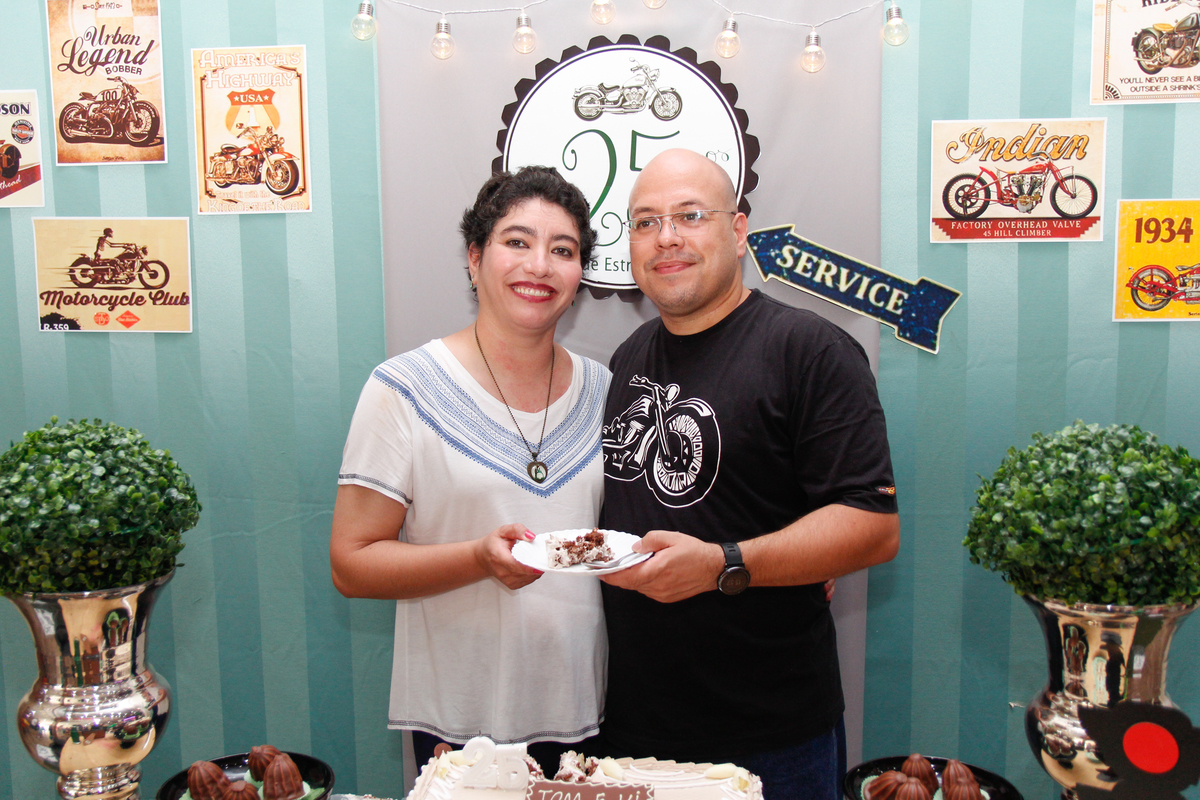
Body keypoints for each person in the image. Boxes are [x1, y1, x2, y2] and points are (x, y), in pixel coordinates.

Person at [598, 149, 900, 800]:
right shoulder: (628, 357)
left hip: (771, 740)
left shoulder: (810, 350)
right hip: (630, 729)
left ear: (738, 232)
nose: (666, 237)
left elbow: (873, 525)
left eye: (690, 216)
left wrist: (724, 563)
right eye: (646, 222)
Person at [330, 166, 609, 771]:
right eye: (517, 241)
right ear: (475, 258)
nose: (539, 265)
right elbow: (351, 564)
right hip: (457, 719)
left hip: (586, 710)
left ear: (579, 274)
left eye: (563, 250)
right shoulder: (404, 389)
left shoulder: (605, 390)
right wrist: (477, 559)